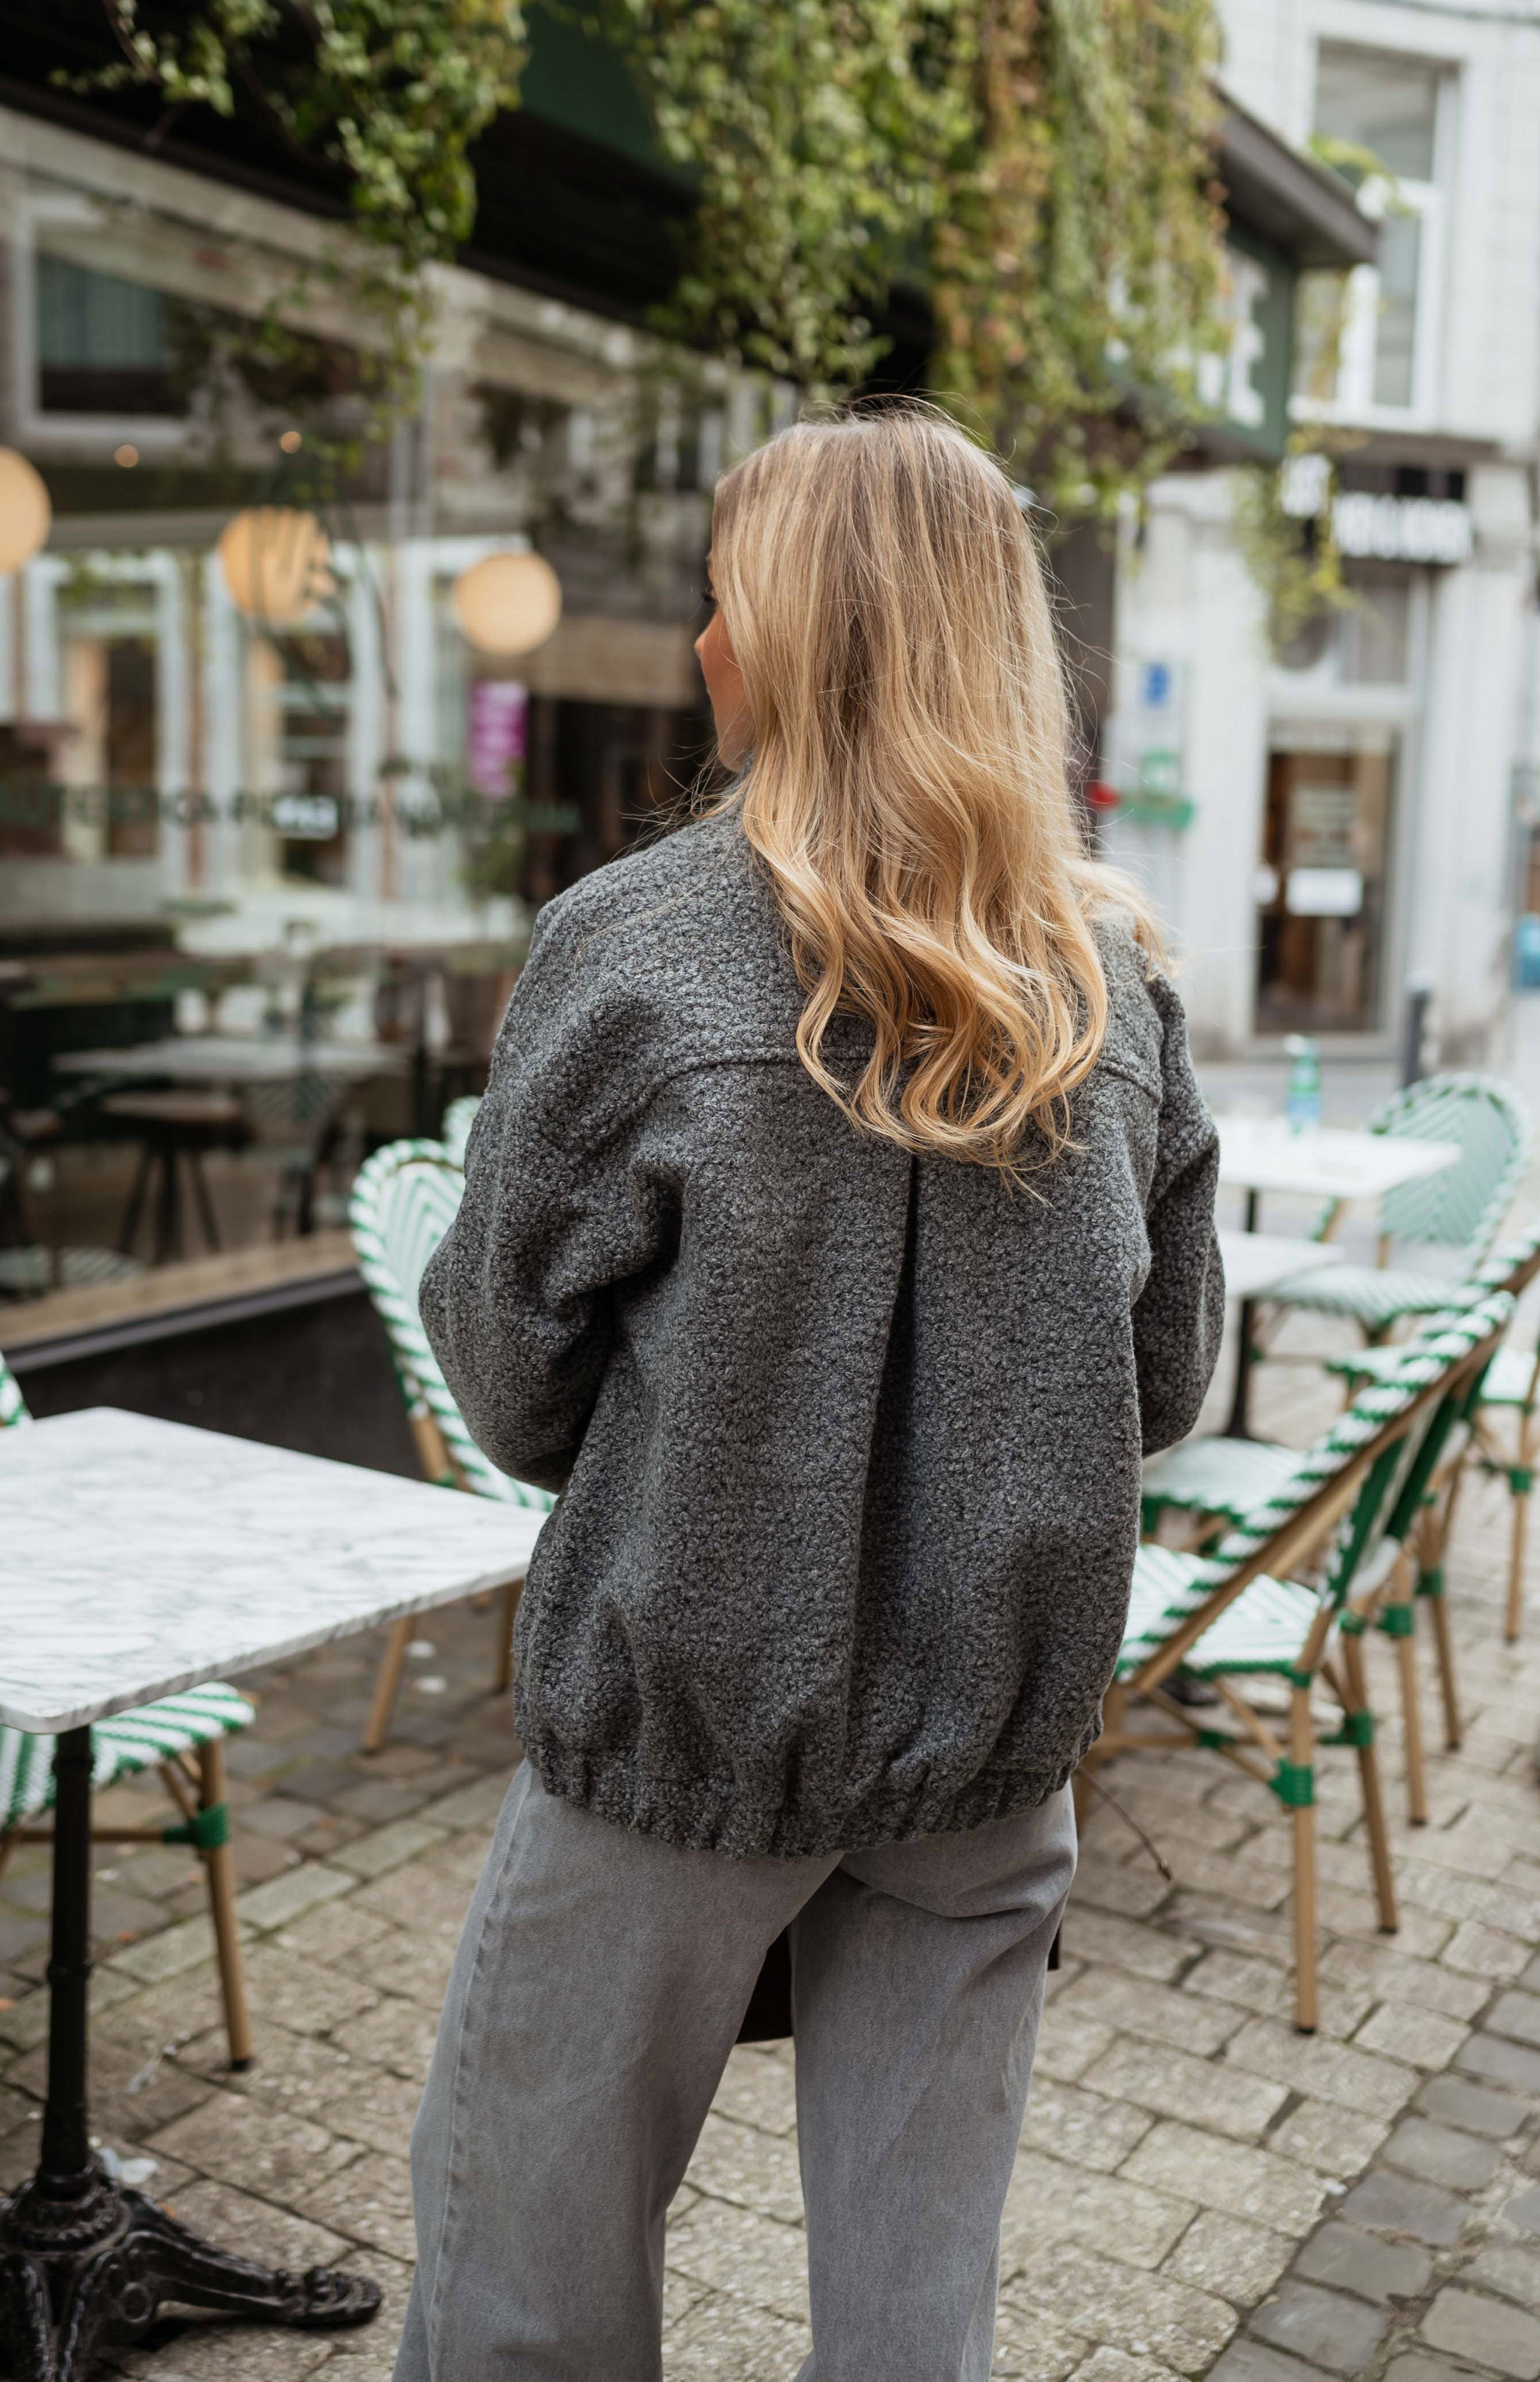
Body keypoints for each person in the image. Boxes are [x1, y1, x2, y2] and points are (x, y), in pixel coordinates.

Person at [394, 404, 1223, 2382]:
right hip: (986, 1763)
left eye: (718, 601)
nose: (697, 644)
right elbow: (1166, 1381)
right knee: (910, 2325)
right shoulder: (1107, 984)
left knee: (526, 2291)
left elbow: (511, 1385)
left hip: (684, 1742)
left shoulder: (631, 952)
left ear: (785, 637)